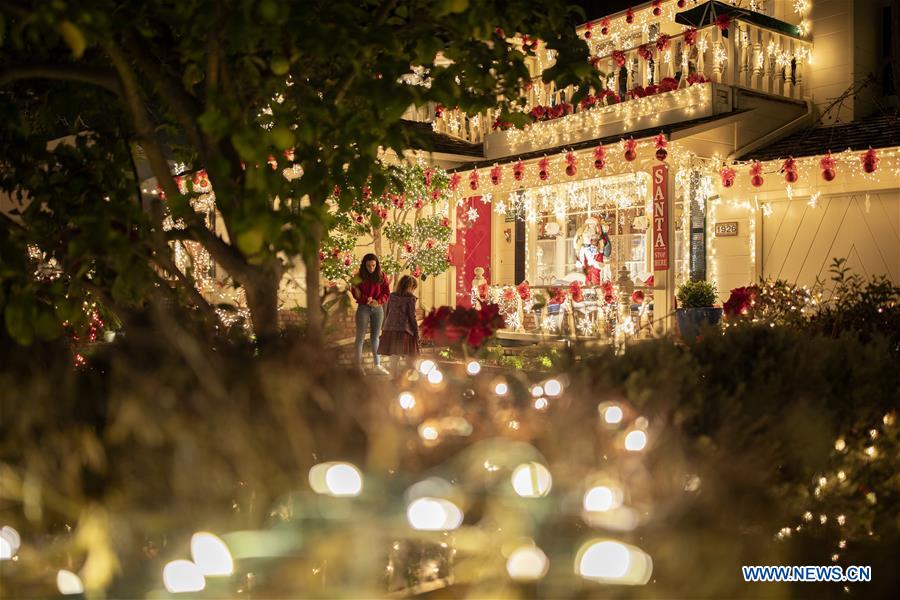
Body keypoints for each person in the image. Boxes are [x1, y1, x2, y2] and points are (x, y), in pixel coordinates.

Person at [351, 253, 390, 373]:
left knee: (375, 338)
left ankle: (377, 365)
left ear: (376, 265)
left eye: (373, 265)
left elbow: (386, 293)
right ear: (364, 265)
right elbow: (354, 291)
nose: (371, 268)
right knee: (360, 338)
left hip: (378, 309)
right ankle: (358, 367)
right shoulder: (358, 276)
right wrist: (365, 299)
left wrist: (378, 301)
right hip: (363, 308)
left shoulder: (382, 275)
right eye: (368, 266)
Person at [379, 275, 420, 376]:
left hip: (390, 328)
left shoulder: (392, 296)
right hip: (404, 330)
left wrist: (384, 327)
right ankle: (408, 379)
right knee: (409, 355)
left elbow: (387, 312)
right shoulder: (411, 298)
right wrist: (416, 331)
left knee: (394, 355)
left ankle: (392, 377)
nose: (413, 291)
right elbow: (412, 317)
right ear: (411, 287)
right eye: (413, 288)